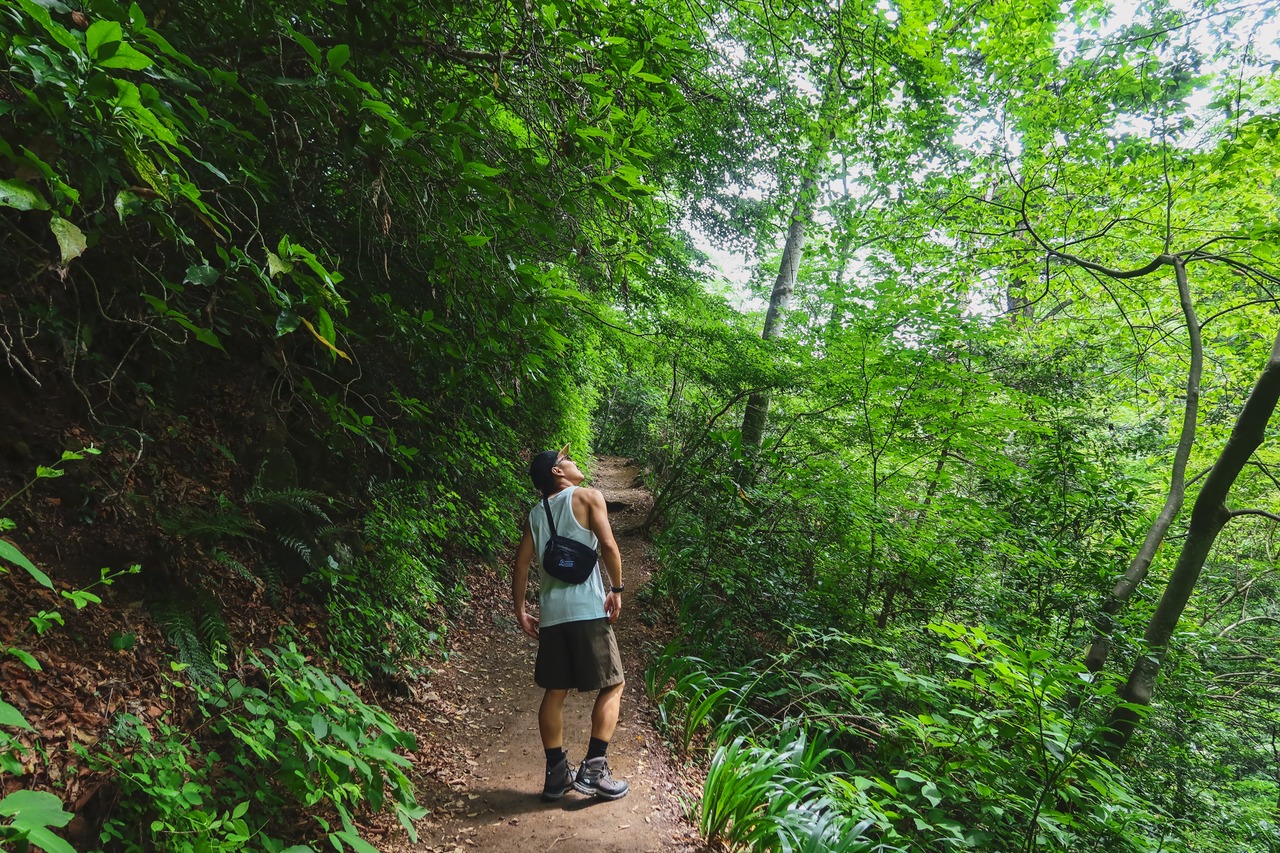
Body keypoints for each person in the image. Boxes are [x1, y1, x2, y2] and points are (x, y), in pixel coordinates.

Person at [512, 443, 629, 802]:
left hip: (552, 615)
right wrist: (617, 589)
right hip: (587, 610)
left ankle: (556, 775)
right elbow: (607, 545)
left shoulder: (536, 512)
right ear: (557, 472)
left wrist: (520, 610)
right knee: (613, 684)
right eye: (567, 459)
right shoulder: (589, 496)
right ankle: (594, 769)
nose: (574, 460)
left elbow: (521, 563)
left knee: (555, 691)